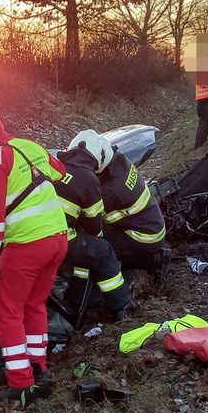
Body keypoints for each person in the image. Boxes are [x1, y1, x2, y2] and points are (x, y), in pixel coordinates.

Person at [0, 105, 68, 408]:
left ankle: (21, 384)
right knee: (34, 304)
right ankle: (38, 366)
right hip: (57, 238)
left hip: (27, 244)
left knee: (6, 313)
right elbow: (60, 172)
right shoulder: (28, 146)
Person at [56, 130, 133, 320]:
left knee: (84, 258)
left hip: (32, 233)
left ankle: (79, 300)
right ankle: (121, 307)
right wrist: (96, 236)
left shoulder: (55, 166)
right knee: (103, 251)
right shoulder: (88, 179)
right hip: (60, 237)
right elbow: (93, 223)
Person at [95, 139, 171, 281]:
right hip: (153, 226)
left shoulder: (110, 191)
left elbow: (96, 220)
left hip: (144, 237)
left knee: (100, 248)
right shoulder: (121, 161)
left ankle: (150, 261)